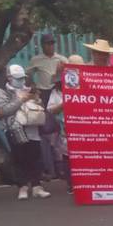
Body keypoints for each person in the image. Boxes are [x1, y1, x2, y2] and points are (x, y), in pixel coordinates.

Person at [0, 64, 51, 200]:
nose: (21, 81)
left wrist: (36, 99)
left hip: (33, 128)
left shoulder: (30, 89)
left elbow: (41, 107)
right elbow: (4, 111)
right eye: (17, 78)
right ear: (9, 78)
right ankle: (23, 187)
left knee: (35, 158)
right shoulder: (2, 92)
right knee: (19, 159)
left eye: (22, 78)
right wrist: (20, 100)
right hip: (15, 129)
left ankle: (37, 186)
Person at [45, 65, 71, 193]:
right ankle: (70, 184)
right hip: (64, 129)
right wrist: (65, 102)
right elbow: (51, 110)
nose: (59, 84)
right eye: (58, 82)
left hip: (82, 126)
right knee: (67, 156)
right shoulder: (55, 93)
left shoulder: (77, 88)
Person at [26, 34, 67, 106]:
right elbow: (28, 74)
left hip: (57, 91)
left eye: (52, 44)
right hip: (43, 92)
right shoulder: (36, 60)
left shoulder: (61, 59)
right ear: (42, 45)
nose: (50, 46)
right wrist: (33, 86)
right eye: (48, 44)